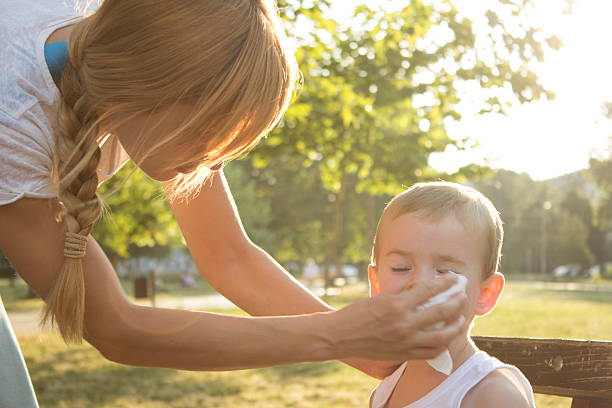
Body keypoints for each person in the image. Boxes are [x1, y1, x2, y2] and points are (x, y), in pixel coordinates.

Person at [0, 0, 467, 406]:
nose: (214, 158)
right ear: (150, 86)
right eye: (209, 132)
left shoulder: (127, 43)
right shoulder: (12, 117)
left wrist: (363, 349)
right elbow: (114, 327)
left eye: (230, 141)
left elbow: (228, 256)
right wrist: (337, 334)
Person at [367, 182, 536, 408]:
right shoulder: (386, 389)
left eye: (445, 271)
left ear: (485, 294)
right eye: (401, 267)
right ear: (376, 283)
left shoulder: (492, 395)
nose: (420, 283)